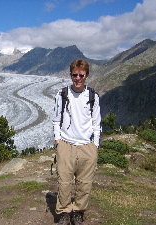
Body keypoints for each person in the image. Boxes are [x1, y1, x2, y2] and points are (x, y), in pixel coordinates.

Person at [52, 59, 101, 225]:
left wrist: (96, 145)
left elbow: (97, 123)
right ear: (70, 75)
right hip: (66, 144)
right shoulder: (62, 94)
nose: (78, 78)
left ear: (86, 76)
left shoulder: (93, 96)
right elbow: (56, 119)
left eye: (81, 75)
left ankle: (78, 211)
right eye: (75, 74)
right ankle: (65, 212)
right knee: (64, 182)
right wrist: (58, 140)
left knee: (84, 183)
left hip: (87, 146)